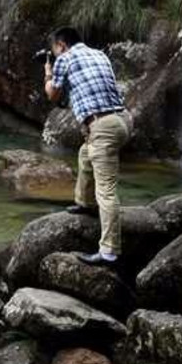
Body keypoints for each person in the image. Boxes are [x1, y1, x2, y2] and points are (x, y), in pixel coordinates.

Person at [44, 27, 132, 266]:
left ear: (61, 45)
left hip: (103, 125)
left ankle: (109, 252)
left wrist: (48, 73)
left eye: (54, 49)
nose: (55, 53)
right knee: (85, 154)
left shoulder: (64, 58)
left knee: (106, 190)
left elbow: (52, 94)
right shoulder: (99, 54)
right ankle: (84, 202)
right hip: (123, 120)